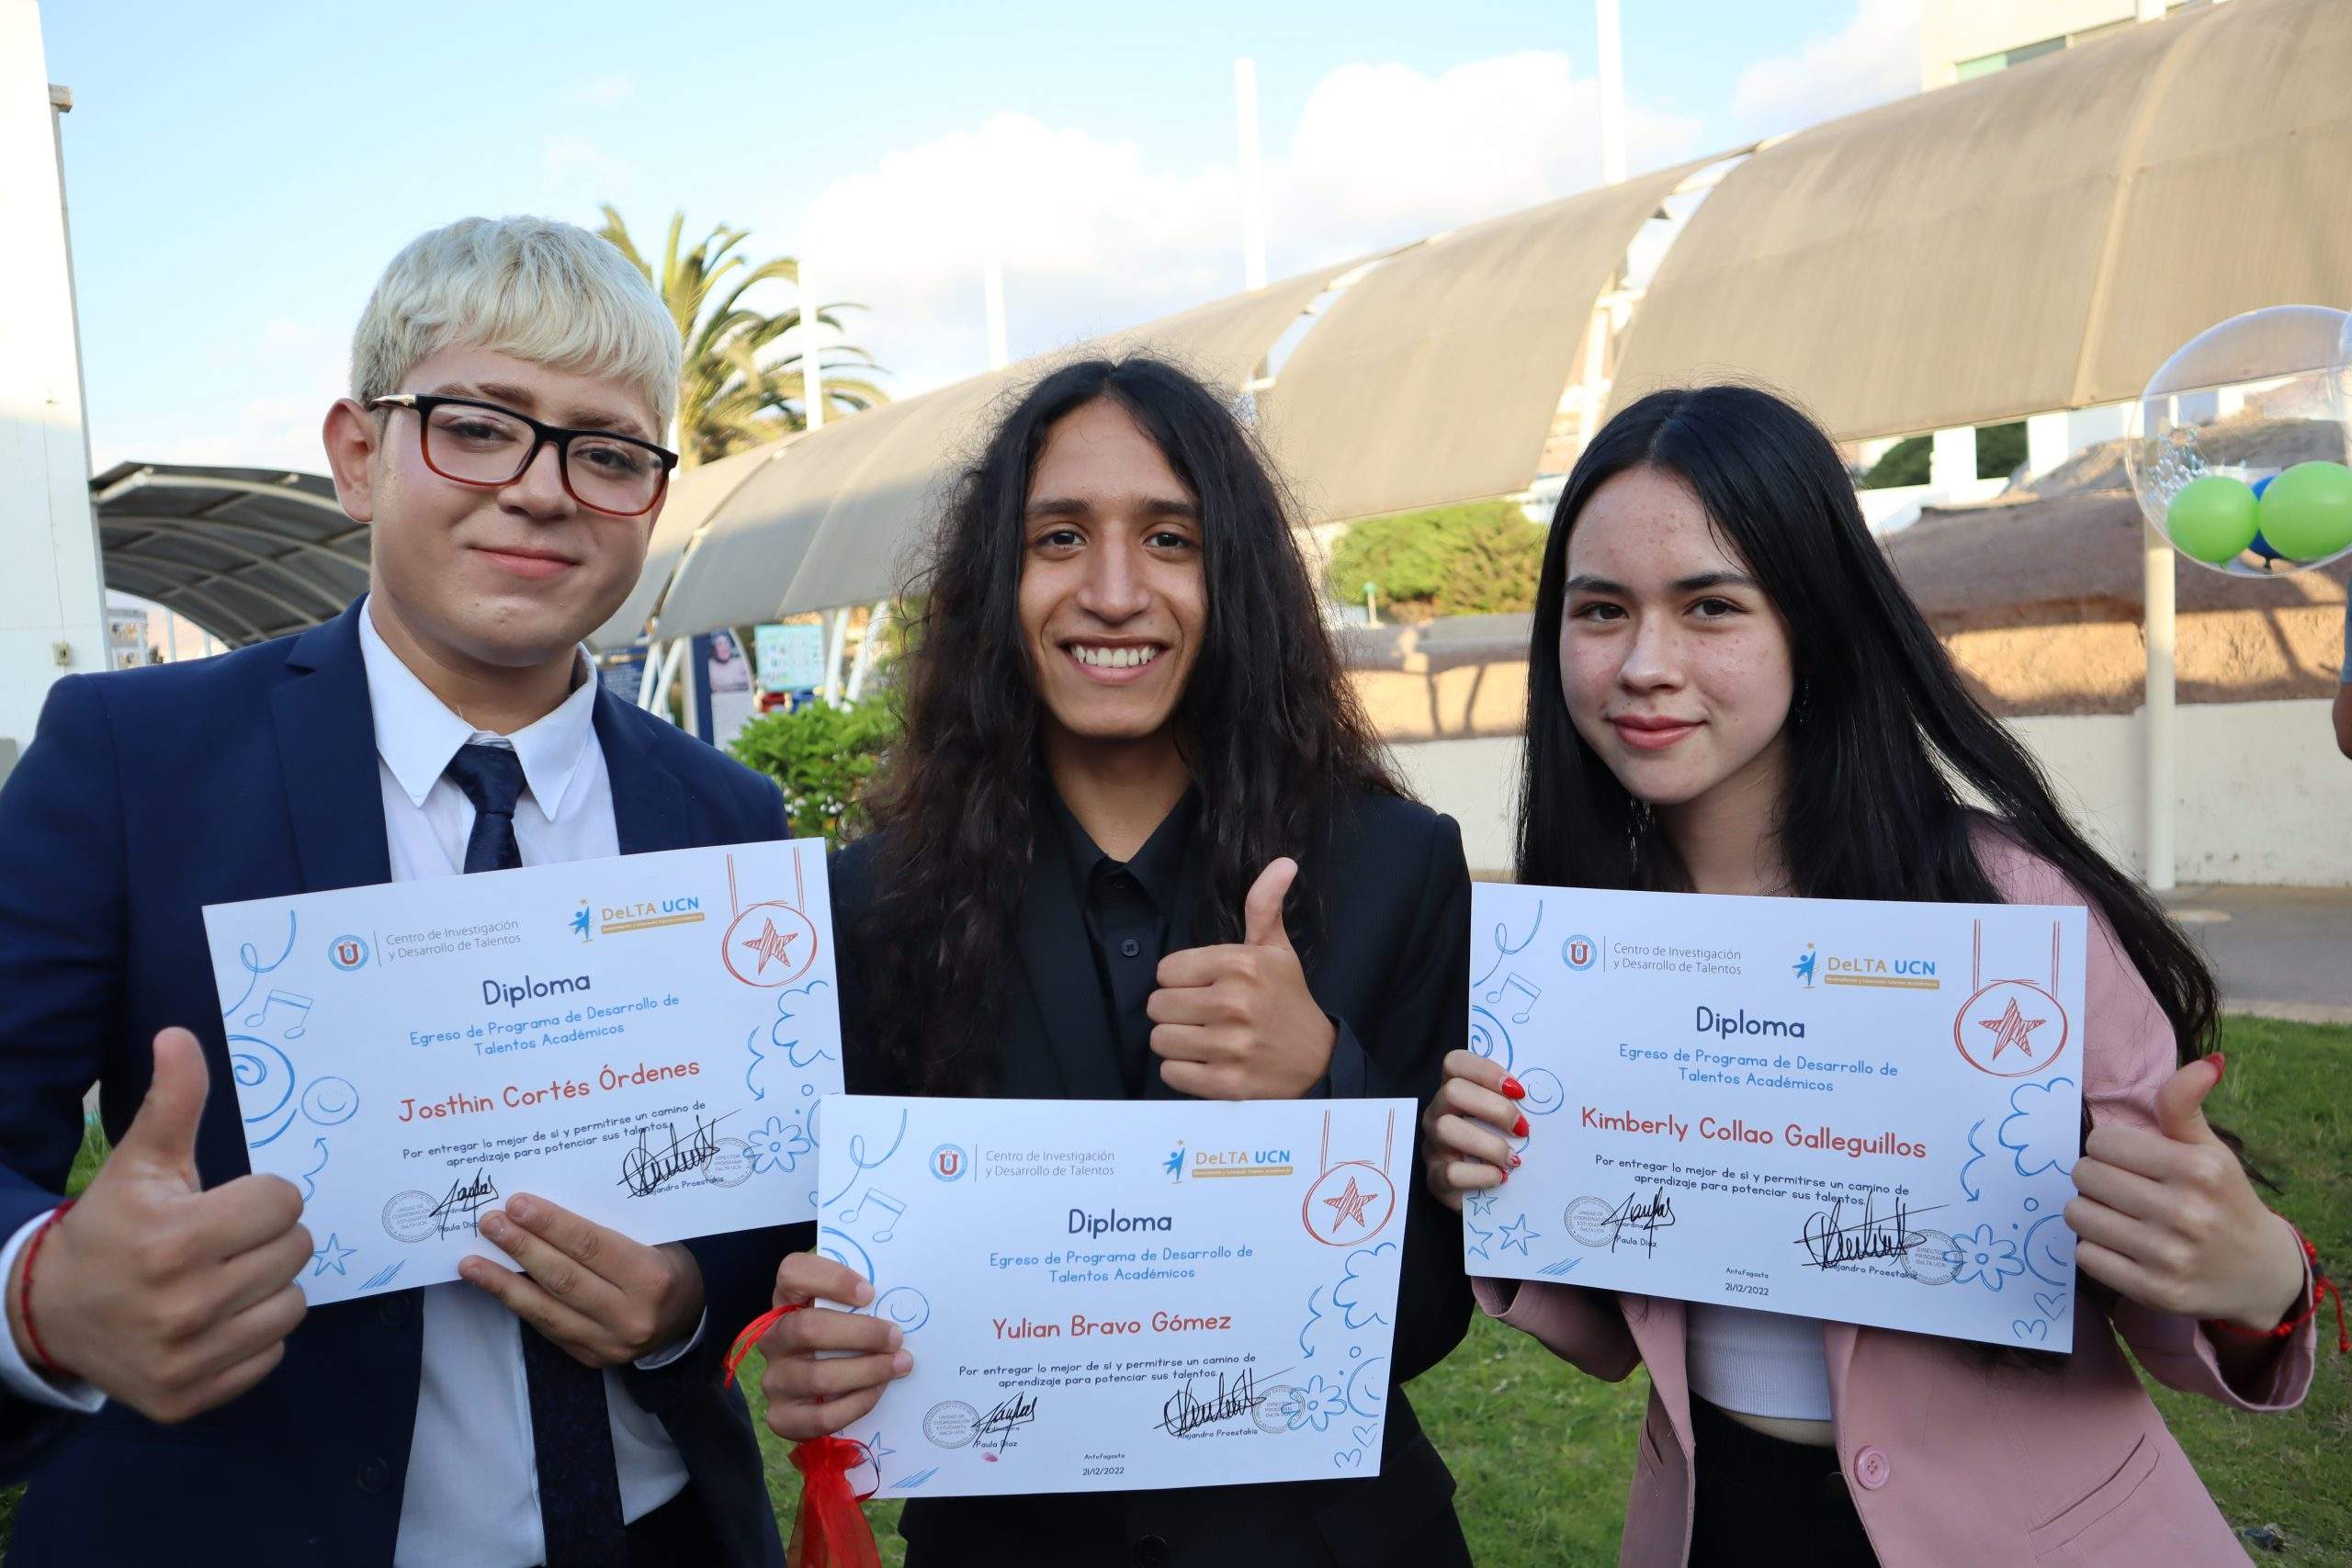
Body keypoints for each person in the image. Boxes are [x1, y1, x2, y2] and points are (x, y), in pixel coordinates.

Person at [0, 217, 791, 1566]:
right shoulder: (134, 761)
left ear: (651, 501)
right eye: (477, 427)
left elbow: (766, 1188)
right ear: (360, 454)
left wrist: (683, 1305)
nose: (540, 490)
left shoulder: (726, 816)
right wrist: (43, 1296)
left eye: (607, 453)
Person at [1420, 385, 2323, 1567]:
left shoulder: (2004, 903)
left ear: (1816, 621)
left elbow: (2175, 1301)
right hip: (1721, 1526)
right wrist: (1495, 1188)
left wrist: (2260, 1276)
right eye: (1601, 611)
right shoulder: (1579, 949)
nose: (1644, 664)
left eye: (1709, 606)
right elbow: (1611, 1331)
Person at [752, 356, 1476, 1566]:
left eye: (1170, 538)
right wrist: (821, 1349)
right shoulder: (874, 902)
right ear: (996, 581)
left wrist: (1326, 1081)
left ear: (1235, 576)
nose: (1114, 591)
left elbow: (1429, 1315)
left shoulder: (1395, 865)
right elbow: (830, 1273)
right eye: (1059, 537)